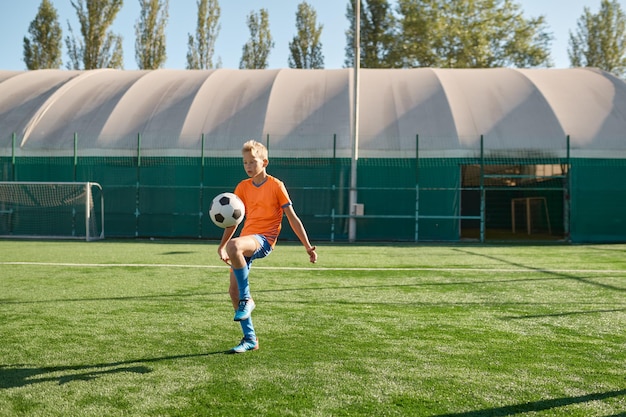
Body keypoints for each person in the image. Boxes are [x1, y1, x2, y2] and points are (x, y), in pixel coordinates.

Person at [217, 140, 318, 354]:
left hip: (264, 240)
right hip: (246, 241)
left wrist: (308, 247)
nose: (248, 166)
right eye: (245, 162)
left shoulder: (276, 185)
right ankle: (250, 338)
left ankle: (248, 299)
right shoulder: (242, 187)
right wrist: (223, 245)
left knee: (236, 253)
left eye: (252, 162)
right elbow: (234, 220)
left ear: (264, 162)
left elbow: (292, 218)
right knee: (233, 291)